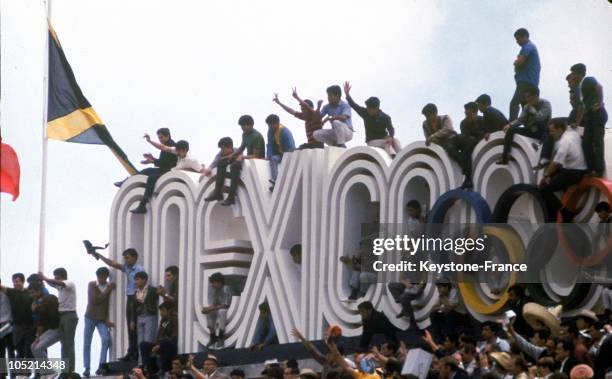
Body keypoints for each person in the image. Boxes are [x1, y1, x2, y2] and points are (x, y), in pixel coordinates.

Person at [90, 247, 145, 361]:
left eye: (128, 258)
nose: (126, 260)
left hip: (136, 298)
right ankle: (131, 351)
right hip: (130, 298)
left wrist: (137, 300)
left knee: (133, 326)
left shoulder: (139, 269)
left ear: (134, 257)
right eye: (125, 258)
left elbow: (142, 285)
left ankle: (135, 353)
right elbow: (113, 264)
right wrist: (99, 255)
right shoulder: (128, 268)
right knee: (130, 327)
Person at [205, 115, 265, 206]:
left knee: (234, 166)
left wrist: (242, 157)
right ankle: (218, 192)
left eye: (243, 126)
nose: (242, 128)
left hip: (255, 160)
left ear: (250, 125)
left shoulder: (256, 136)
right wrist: (230, 156)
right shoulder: (245, 134)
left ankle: (231, 196)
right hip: (246, 158)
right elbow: (241, 148)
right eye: (241, 126)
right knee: (221, 162)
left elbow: (256, 156)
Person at [132, 138, 203, 214]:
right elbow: (163, 147)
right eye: (177, 151)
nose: (177, 153)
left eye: (179, 151)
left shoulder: (192, 160)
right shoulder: (179, 151)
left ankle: (143, 205)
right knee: (148, 170)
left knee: (152, 178)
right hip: (172, 172)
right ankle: (129, 181)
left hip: (176, 178)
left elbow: (201, 171)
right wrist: (150, 141)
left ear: (185, 150)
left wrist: (186, 170)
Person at [539, 118, 587, 222]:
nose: (551, 134)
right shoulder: (571, 133)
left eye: (552, 131)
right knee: (550, 180)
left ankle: (565, 213)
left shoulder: (564, 142)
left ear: (560, 129)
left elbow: (556, 163)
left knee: (544, 189)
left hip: (573, 172)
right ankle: (555, 214)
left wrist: (546, 175)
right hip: (577, 169)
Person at [569, 63, 608, 177]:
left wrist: (600, 103)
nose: (573, 76)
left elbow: (599, 87)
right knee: (586, 142)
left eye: (574, 73)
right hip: (589, 115)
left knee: (597, 141)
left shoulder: (588, 80)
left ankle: (599, 170)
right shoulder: (580, 89)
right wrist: (577, 122)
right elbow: (581, 108)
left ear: (580, 73)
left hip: (597, 113)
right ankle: (590, 169)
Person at [421, 103, 472, 189]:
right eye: (426, 116)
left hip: (452, 138)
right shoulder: (425, 124)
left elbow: (448, 129)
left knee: (462, 142)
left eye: (428, 116)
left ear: (434, 113)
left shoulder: (444, 118)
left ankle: (465, 167)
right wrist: (432, 139)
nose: (427, 118)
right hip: (441, 144)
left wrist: (434, 136)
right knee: (445, 150)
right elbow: (427, 137)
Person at [343, 81, 401, 156]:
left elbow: (391, 129)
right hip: (372, 141)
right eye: (368, 108)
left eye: (371, 109)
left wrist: (391, 137)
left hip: (383, 138)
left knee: (395, 140)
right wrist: (347, 94)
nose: (369, 110)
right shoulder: (365, 113)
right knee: (386, 143)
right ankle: (393, 157)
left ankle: (402, 155)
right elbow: (354, 105)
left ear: (377, 108)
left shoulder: (385, 117)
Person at [39, 268, 79, 374]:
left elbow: (57, 282)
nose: (54, 278)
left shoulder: (69, 283)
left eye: (55, 276)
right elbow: (52, 283)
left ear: (60, 275)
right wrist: (43, 279)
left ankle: (70, 369)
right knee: (64, 344)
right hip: (61, 316)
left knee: (69, 343)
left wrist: (45, 278)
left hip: (70, 315)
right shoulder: (60, 287)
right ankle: (64, 370)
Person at [498, 86, 551, 165]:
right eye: (526, 97)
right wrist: (510, 125)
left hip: (543, 131)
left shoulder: (545, 103)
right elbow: (520, 120)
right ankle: (505, 156)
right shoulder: (527, 107)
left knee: (541, 123)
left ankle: (540, 145)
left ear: (536, 96)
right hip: (531, 130)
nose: (527, 99)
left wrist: (533, 111)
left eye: (529, 97)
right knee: (511, 129)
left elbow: (541, 117)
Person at [83, 267, 116, 377]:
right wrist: (108, 290)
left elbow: (107, 305)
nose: (100, 279)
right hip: (90, 317)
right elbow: (96, 300)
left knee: (106, 339)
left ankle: (101, 365)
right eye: (99, 277)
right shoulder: (92, 284)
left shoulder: (109, 286)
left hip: (102, 319)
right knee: (87, 343)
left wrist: (107, 319)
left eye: (102, 277)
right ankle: (87, 368)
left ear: (106, 277)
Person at [509, 28, 541, 121]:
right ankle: (532, 125)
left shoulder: (528, 46)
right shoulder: (528, 47)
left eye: (518, 39)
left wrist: (517, 62)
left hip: (526, 82)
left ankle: (511, 124)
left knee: (514, 103)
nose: (517, 42)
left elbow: (519, 62)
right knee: (526, 107)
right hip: (529, 82)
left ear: (525, 37)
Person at [0, 273, 33, 358]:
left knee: (27, 351)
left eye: (17, 281)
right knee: (18, 351)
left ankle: (24, 371)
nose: (15, 284)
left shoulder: (29, 293)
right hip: (15, 326)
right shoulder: (11, 292)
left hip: (27, 325)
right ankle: (18, 371)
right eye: (14, 282)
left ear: (23, 281)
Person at [140, 302, 178, 375]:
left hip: (169, 346)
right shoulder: (163, 321)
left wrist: (160, 345)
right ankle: (147, 367)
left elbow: (174, 336)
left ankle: (163, 368)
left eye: (163, 310)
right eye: (160, 311)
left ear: (169, 311)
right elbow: (159, 335)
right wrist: (157, 345)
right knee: (143, 344)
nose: (161, 313)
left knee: (165, 341)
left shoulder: (174, 319)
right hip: (161, 345)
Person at [430, 277, 468, 344]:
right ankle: (439, 340)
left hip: (461, 316)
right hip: (449, 315)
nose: (438, 290)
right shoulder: (442, 295)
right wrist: (439, 306)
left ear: (447, 287)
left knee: (448, 313)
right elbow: (433, 309)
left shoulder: (454, 292)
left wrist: (443, 299)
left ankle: (451, 338)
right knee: (433, 315)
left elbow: (449, 308)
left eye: (440, 287)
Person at [29, 282, 61, 360]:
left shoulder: (43, 302)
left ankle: (48, 371)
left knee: (36, 348)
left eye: (32, 293)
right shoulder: (48, 298)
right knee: (34, 347)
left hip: (58, 329)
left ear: (39, 291)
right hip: (53, 329)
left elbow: (41, 321)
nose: (31, 295)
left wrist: (37, 337)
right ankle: (47, 371)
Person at [266, 114, 296, 191]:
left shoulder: (285, 132)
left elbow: (290, 149)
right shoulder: (270, 131)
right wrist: (269, 155)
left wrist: (285, 156)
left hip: (288, 154)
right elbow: (269, 144)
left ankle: (282, 183)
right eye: (269, 125)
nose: (270, 127)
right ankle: (275, 180)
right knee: (273, 159)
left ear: (277, 123)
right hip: (279, 154)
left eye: (272, 124)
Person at [202, 272, 232, 349]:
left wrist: (212, 308)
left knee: (222, 311)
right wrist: (208, 309)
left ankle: (221, 336)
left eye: (214, 282)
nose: (212, 285)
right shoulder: (216, 291)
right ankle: (213, 336)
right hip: (218, 309)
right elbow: (214, 304)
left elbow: (225, 304)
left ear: (219, 282)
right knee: (209, 313)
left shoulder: (225, 288)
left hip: (225, 311)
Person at [134, 271, 159, 363]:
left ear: (144, 279)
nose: (136, 282)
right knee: (140, 341)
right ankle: (141, 362)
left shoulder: (152, 290)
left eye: (137, 279)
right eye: (135, 280)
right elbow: (134, 306)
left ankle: (147, 362)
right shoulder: (136, 292)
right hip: (140, 316)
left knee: (148, 339)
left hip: (150, 315)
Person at [0, 278, 14, 369]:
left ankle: (13, 374)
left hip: (9, 324)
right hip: (1, 325)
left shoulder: (8, 292)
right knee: (1, 352)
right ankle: (2, 374)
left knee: (11, 350)